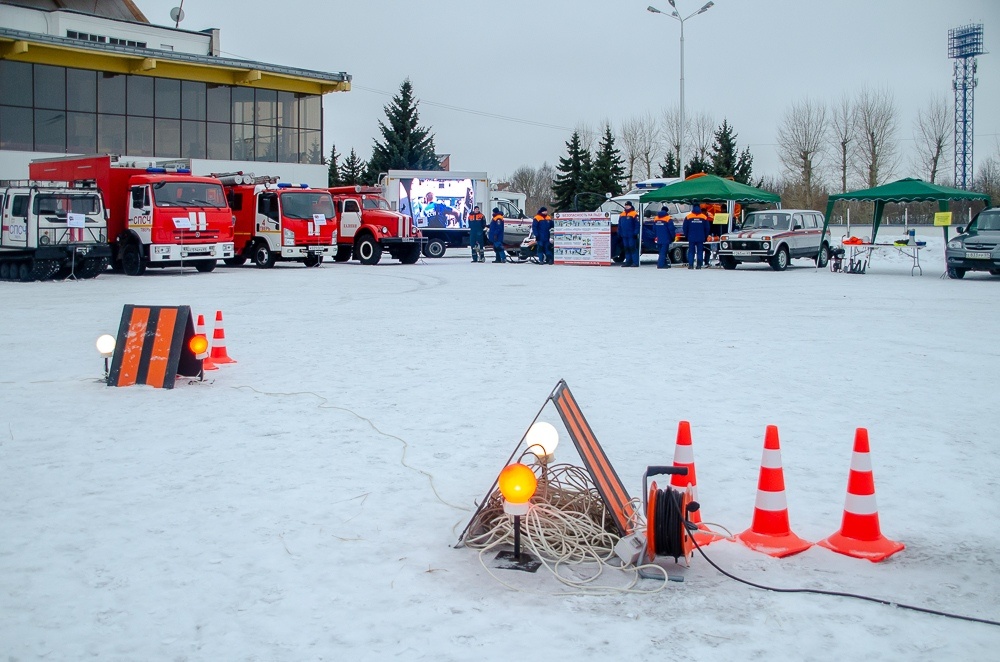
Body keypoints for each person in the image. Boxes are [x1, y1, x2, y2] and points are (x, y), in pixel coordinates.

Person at [683, 203, 711, 269]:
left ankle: (690, 265)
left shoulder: (688, 217)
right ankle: (699, 265)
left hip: (691, 237)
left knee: (691, 251)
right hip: (700, 237)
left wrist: (687, 235)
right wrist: (705, 236)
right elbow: (707, 228)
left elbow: (685, 228)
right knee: (700, 251)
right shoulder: (704, 217)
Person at [618, 201, 639, 267]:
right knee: (626, 248)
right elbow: (619, 225)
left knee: (632, 248)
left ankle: (635, 262)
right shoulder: (622, 214)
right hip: (624, 235)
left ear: (630, 206)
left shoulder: (634, 214)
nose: (626, 206)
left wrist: (635, 233)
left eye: (628, 205)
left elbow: (637, 225)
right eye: (626, 205)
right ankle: (628, 262)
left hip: (631, 235)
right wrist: (619, 232)